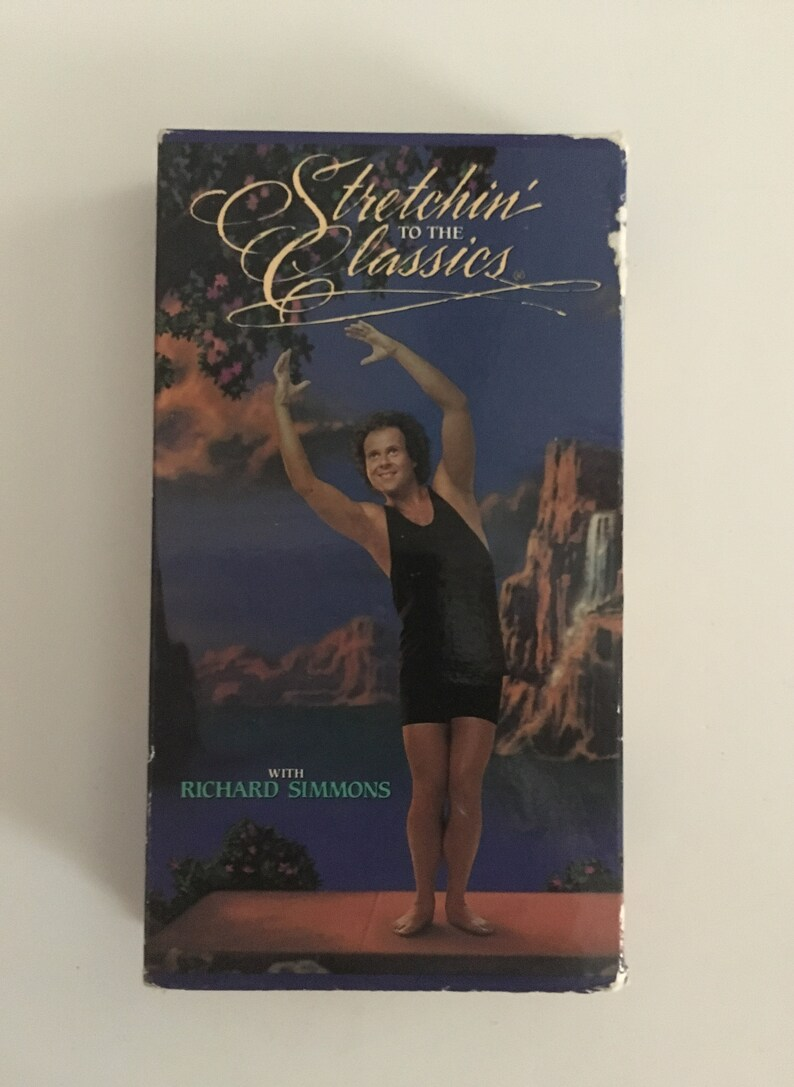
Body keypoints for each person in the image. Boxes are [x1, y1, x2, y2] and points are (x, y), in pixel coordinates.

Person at [273, 321, 506, 937]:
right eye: (373, 456)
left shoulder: (457, 493)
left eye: (392, 451)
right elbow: (305, 484)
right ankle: (424, 902)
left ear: (412, 455)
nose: (382, 462)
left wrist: (398, 349)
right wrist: (281, 409)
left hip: (480, 664)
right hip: (424, 666)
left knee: (466, 788)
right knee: (427, 790)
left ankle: (459, 902)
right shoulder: (374, 526)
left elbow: (455, 405)